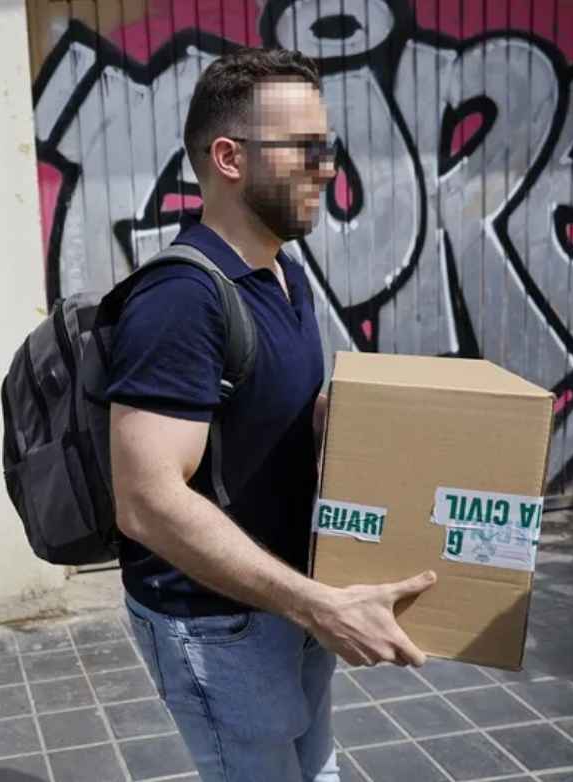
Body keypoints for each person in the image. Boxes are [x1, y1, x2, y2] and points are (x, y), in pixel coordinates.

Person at [107, 48, 436, 781]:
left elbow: (266, 416)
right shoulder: (180, 300)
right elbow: (146, 500)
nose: (328, 167)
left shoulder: (283, 271)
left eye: (331, 147)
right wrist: (317, 606)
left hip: (291, 602)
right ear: (229, 157)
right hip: (222, 625)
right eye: (308, 148)